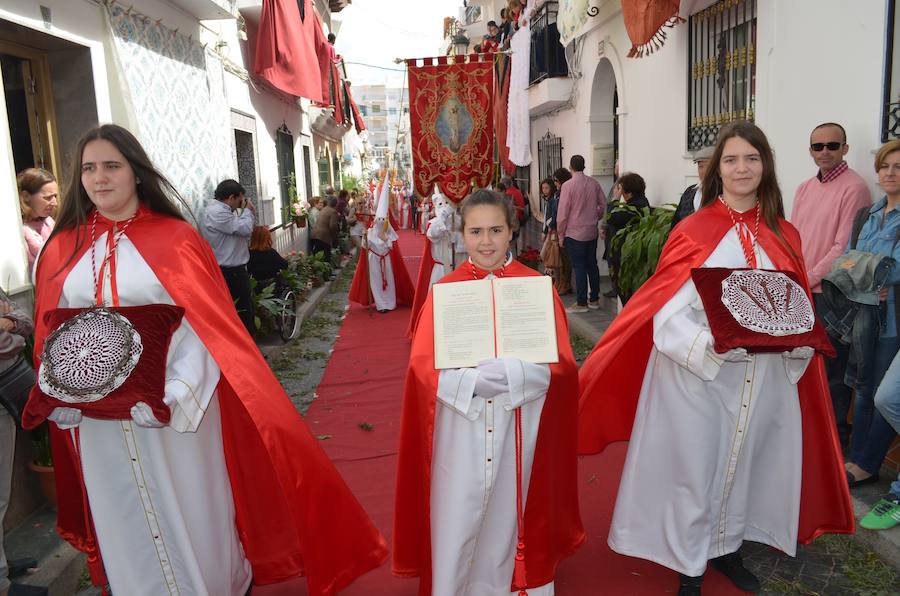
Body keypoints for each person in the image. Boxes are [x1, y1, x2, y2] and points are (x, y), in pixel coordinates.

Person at [29, 124, 387, 595]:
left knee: (194, 510)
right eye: (89, 168)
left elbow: (205, 329)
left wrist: (175, 393)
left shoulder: (175, 239)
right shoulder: (62, 247)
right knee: (123, 515)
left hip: (176, 412)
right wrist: (63, 393)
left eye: (111, 165)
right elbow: (52, 332)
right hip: (99, 424)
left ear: (136, 172)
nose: (99, 178)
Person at [578, 122, 853, 596]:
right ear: (716, 170)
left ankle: (727, 548)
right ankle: (690, 563)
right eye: (731, 160)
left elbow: (793, 308)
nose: (741, 168)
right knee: (696, 470)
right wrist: (710, 348)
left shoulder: (785, 233)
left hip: (762, 377)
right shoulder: (694, 230)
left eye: (751, 158)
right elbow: (664, 311)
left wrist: (799, 343)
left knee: (744, 463)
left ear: (765, 165)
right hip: (697, 378)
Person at [393, 189, 584, 596]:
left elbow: (563, 365)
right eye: (476, 231)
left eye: (495, 230)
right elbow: (421, 367)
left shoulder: (537, 287)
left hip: (522, 424)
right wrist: (470, 382)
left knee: (512, 512)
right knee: (460, 510)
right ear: (461, 235)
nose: (485, 241)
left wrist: (516, 374)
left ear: (512, 231)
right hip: (463, 426)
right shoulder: (445, 291)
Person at [791, 122, 872, 448]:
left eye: (832, 145)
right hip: (802, 288)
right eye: (818, 146)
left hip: (831, 294)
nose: (825, 152)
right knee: (802, 360)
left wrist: (806, 277)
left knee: (833, 367)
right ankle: (807, 430)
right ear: (810, 151)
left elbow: (844, 246)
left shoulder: (855, 188)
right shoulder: (804, 188)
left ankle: (834, 440)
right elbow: (793, 236)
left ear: (845, 149)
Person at [840, 139, 900, 490]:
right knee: (862, 388)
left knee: (881, 392)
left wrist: (866, 267)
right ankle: (857, 458)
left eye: (898, 167)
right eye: (885, 166)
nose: (890, 173)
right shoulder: (868, 214)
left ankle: (866, 462)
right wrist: (870, 269)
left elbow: (893, 272)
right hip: (861, 314)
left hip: (891, 319)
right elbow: (846, 260)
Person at [0, 295, 35, 596]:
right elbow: (9, 344)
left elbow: (27, 318)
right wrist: (14, 333)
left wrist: (10, 322)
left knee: (3, 492)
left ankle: (3, 566)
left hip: (5, 393)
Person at [348, 172, 414, 312]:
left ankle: (390, 303)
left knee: (389, 281)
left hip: (386, 260)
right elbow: (365, 248)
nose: (381, 222)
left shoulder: (389, 234)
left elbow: (391, 246)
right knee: (376, 282)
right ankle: (380, 304)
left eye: (383, 220)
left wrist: (386, 239)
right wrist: (365, 237)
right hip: (374, 261)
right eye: (379, 220)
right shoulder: (370, 233)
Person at [202, 179, 256, 335]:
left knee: (244, 311)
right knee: (244, 313)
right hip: (230, 272)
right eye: (240, 200)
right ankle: (248, 354)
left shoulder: (221, 211)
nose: (241, 204)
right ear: (231, 197)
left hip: (230, 271)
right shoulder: (217, 212)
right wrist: (248, 212)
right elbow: (245, 229)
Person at [556, 154, 606, 313]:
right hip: (591, 230)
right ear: (584, 165)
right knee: (592, 264)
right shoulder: (593, 183)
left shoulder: (568, 186)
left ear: (571, 167)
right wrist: (595, 216)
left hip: (574, 231)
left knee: (579, 267)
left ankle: (581, 302)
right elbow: (602, 204)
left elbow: (563, 213)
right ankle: (595, 299)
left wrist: (560, 234)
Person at [407, 191, 456, 338]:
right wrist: (443, 216)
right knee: (438, 306)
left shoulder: (459, 221)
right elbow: (433, 234)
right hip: (441, 270)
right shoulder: (433, 224)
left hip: (458, 267)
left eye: (448, 204)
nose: (444, 207)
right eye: (441, 204)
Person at [605, 172, 651, 304]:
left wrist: (614, 199)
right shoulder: (642, 203)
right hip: (632, 257)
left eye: (621, 189)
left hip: (626, 260)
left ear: (628, 192)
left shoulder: (633, 208)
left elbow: (611, 218)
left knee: (628, 298)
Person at [17, 167, 59, 273]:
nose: (55, 203)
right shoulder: (20, 230)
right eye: (47, 198)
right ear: (26, 196)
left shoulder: (49, 222)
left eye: (55, 196)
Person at [541, 175, 572, 295]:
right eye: (543, 188)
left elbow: (553, 218)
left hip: (555, 232)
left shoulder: (555, 200)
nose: (544, 190)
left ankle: (561, 283)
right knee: (555, 259)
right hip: (553, 231)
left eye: (547, 187)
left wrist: (546, 229)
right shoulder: (551, 200)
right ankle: (557, 283)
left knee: (557, 259)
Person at [670, 146, 713, 229]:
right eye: (700, 166)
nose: (704, 171)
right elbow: (676, 224)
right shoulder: (690, 192)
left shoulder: (725, 194)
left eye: (708, 166)